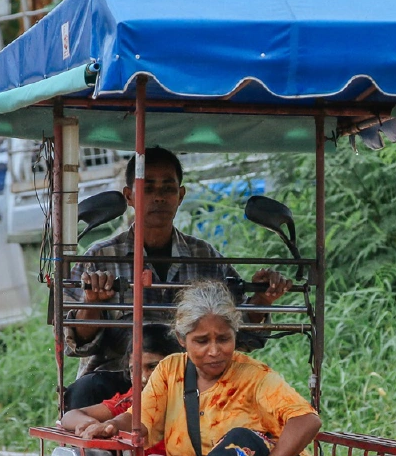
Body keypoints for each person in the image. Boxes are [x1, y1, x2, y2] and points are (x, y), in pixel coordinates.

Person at [86, 279, 327, 456]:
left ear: (235, 336)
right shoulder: (169, 371)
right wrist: (111, 425)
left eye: (223, 339)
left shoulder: (255, 376)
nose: (214, 350)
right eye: (202, 341)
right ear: (181, 340)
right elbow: (139, 417)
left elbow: (308, 420)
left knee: (237, 439)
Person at [62, 147, 290, 411]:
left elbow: (240, 333)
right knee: (82, 395)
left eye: (167, 188)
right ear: (129, 196)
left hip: (195, 381)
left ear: (180, 195)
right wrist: (93, 301)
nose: (158, 197)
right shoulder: (100, 257)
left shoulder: (204, 256)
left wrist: (263, 298)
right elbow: (77, 342)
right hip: (117, 376)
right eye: (147, 188)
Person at [58, 324, 182, 456]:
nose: (144, 378)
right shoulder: (131, 400)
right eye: (135, 370)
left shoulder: (197, 399)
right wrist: (93, 424)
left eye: (153, 367)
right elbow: (69, 417)